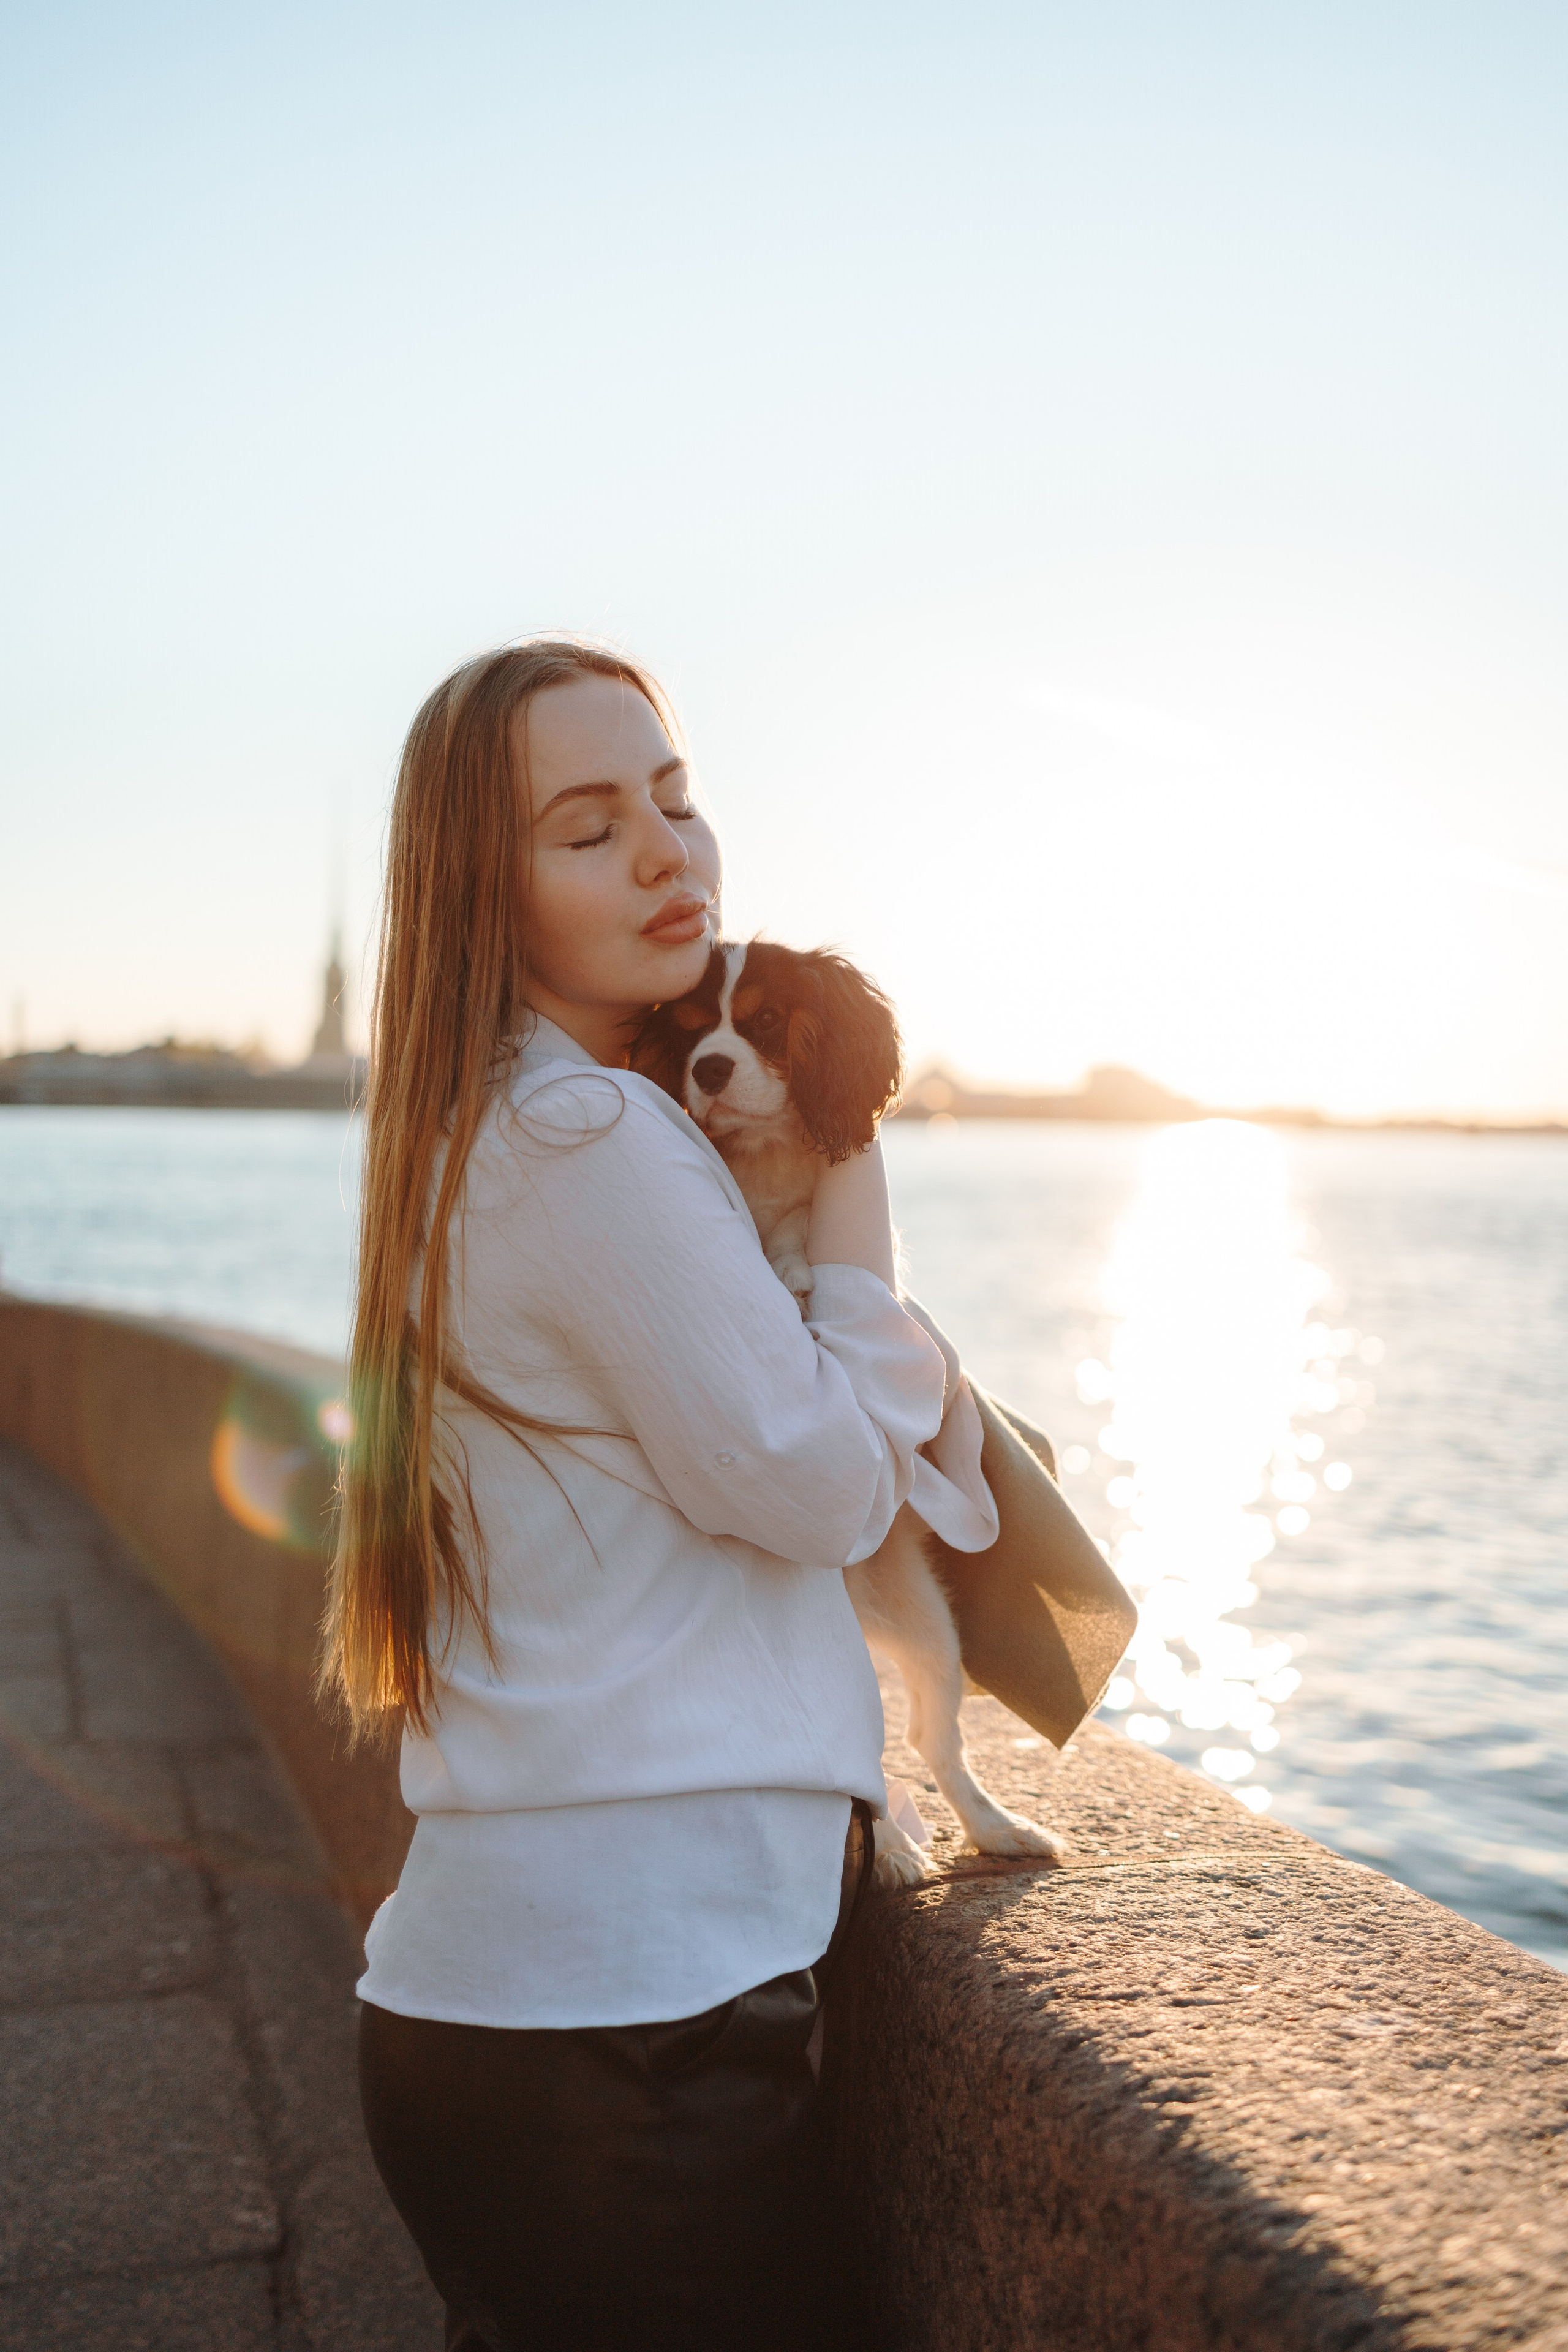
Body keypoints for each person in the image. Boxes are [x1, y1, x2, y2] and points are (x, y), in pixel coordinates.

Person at [320, 639, 994, 2350]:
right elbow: (830, 1488)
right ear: (489, 886)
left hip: (511, 2019)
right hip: (628, 2039)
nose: (663, 854)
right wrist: (854, 1182)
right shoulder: (588, 1145)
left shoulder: (489, 1126)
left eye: (679, 804)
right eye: (588, 827)